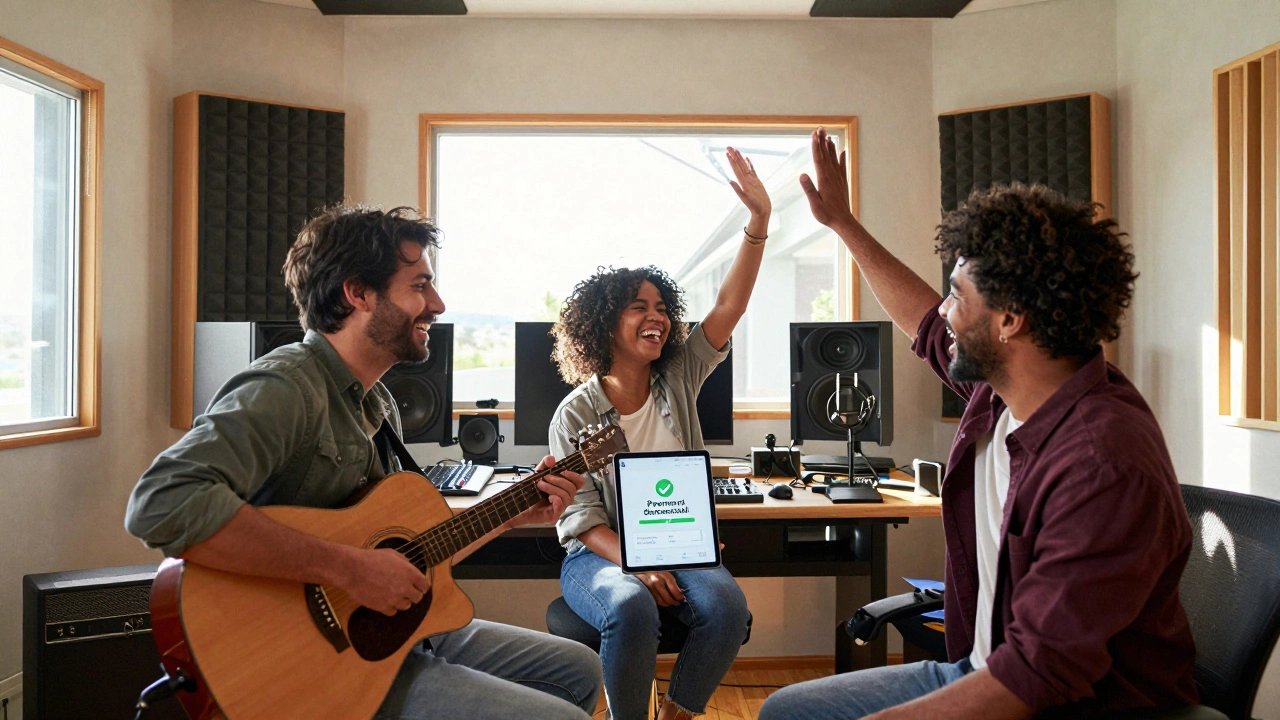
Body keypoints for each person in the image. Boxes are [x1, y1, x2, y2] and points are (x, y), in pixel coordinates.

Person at [759, 130, 1199, 720]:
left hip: (1072, 704)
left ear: (1010, 321)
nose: (944, 311)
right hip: (980, 666)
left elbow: (1039, 676)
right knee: (787, 713)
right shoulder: (1002, 393)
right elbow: (923, 324)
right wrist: (842, 224)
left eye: (957, 296)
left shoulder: (1101, 463)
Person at [124, 205, 603, 720]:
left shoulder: (378, 403)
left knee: (579, 669)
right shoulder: (287, 387)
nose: (438, 304)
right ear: (358, 293)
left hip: (391, 634)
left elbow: (410, 550)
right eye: (420, 285)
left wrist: (509, 515)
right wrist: (351, 569)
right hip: (310, 662)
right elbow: (160, 503)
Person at [548, 147, 768, 720]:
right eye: (638, 306)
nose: (657, 315)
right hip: (598, 556)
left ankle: (677, 713)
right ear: (603, 324)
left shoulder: (679, 376)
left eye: (662, 306)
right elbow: (581, 517)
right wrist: (637, 564)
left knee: (726, 607)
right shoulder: (574, 415)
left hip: (680, 543)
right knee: (630, 605)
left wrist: (758, 224)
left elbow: (728, 304)